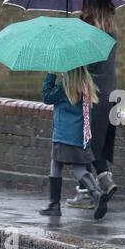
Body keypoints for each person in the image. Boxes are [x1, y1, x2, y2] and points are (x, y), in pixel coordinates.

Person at [66, 0, 118, 209]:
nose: (81, 8)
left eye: (85, 5)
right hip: (110, 94)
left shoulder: (89, 34)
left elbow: (80, 63)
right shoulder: (110, 33)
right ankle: (105, 181)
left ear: (92, 8)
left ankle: (86, 192)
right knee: (97, 143)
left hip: (92, 95)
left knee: (83, 143)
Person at [40, 67, 109, 220]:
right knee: (78, 168)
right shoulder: (86, 84)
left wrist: (51, 73)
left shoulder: (64, 86)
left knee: (56, 166)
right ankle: (96, 193)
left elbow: (46, 97)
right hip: (80, 134)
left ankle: (55, 205)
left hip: (63, 134)